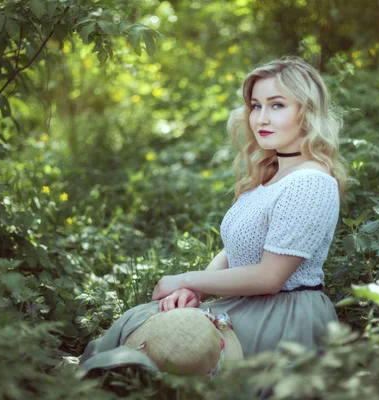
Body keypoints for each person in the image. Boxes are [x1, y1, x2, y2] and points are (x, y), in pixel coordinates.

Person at [80, 56, 347, 373]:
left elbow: (269, 277)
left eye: (277, 105)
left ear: (306, 112)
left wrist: (183, 278)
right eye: (255, 106)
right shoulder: (272, 176)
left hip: (283, 317)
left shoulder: (310, 181)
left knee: (175, 344)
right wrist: (194, 291)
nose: (261, 118)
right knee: (144, 319)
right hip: (250, 304)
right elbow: (234, 248)